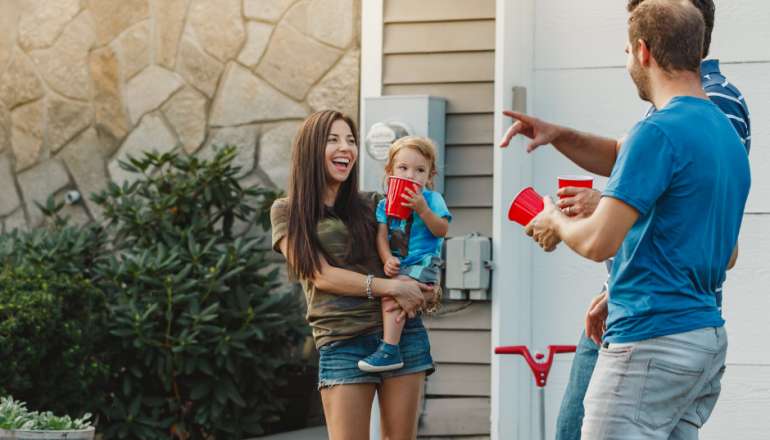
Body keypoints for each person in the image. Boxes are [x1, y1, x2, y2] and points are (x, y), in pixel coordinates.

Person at [500, 0, 752, 438]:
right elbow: (726, 251)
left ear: (643, 51)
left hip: (649, 337)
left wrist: (553, 220)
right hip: (704, 339)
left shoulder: (657, 132)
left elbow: (599, 242)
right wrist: (560, 135)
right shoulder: (722, 134)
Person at [270, 110, 438, 439]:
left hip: (401, 336)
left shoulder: (373, 203)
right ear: (310, 149)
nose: (345, 147)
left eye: (350, 140)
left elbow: (415, 251)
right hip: (343, 340)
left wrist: (428, 287)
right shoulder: (288, 211)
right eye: (332, 140)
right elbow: (319, 275)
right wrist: (390, 286)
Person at [358, 136, 451, 373]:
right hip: (400, 265)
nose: (411, 175)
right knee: (393, 294)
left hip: (424, 263)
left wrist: (423, 209)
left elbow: (441, 229)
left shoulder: (433, 200)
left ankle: (389, 349)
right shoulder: (384, 205)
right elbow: (381, 236)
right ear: (390, 172)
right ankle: (392, 347)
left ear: (429, 176)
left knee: (394, 291)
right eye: (403, 168)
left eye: (420, 170)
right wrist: (387, 258)